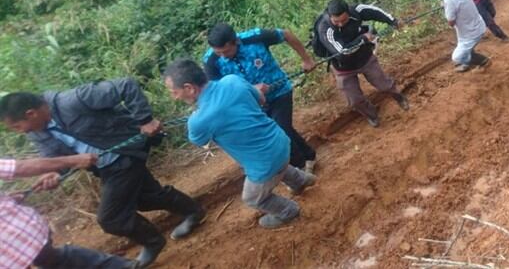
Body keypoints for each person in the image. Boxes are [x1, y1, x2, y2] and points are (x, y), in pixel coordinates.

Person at [0, 80, 204, 269]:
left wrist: (146, 120)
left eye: (17, 126)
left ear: (30, 113)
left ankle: (153, 241)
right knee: (144, 198)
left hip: (125, 154)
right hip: (105, 168)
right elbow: (53, 158)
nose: (21, 131)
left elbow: (126, 85)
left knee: (111, 218)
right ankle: (193, 210)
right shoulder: (37, 132)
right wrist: (53, 174)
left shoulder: (71, 101)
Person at [163, 59, 316, 229]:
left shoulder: (198, 121)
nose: (174, 97)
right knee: (276, 165)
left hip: (266, 162)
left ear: (189, 88)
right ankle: (301, 180)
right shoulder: (232, 80)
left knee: (252, 198)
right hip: (280, 140)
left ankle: (289, 211)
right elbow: (261, 99)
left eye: (173, 92)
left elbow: (200, 141)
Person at [204, 23, 318, 173]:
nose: (223, 56)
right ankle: (309, 156)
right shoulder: (211, 61)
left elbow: (286, 34)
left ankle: (300, 167)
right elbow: (218, 91)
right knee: (280, 129)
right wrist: (249, 90)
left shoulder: (255, 37)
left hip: (279, 92)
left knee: (280, 130)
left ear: (236, 41)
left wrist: (306, 59)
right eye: (219, 53)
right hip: (252, 103)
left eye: (226, 51)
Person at [1, 154, 138, 268]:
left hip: (15, 240)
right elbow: (20, 168)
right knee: (53, 258)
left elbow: (20, 168)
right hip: (19, 236)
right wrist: (74, 160)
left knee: (52, 259)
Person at [315, 0, 408, 128]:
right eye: (337, 22)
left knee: (384, 85)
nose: (341, 24)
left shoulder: (356, 11)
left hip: (365, 58)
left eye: (344, 20)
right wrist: (363, 38)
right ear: (330, 17)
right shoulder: (325, 30)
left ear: (348, 12)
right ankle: (372, 115)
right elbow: (343, 53)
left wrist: (393, 21)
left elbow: (375, 12)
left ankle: (399, 97)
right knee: (355, 100)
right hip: (343, 68)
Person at [426, 0, 489, 72]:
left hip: (471, 32)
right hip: (475, 23)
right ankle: (467, 62)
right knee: (466, 48)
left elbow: (451, 23)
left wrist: (445, 7)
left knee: (456, 57)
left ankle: (483, 61)